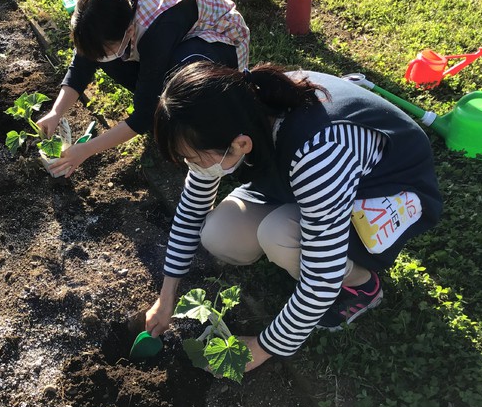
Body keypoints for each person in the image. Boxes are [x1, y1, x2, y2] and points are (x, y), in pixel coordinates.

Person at [146, 61, 443, 372]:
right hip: (309, 182)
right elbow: (192, 209)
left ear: (241, 145)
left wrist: (262, 347)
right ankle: (299, 234)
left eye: (192, 159)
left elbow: (321, 280)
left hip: (387, 196)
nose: (190, 165)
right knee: (219, 233)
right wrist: (166, 297)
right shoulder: (233, 117)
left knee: (278, 234)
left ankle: (361, 284)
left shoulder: (318, 152)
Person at [36, 0, 250, 177]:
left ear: (130, 31)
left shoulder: (157, 31)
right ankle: (161, 106)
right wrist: (56, 112)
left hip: (218, 38)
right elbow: (81, 65)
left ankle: (192, 121)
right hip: (166, 39)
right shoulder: (99, 10)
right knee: (105, 56)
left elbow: (143, 116)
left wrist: (85, 150)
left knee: (180, 80)